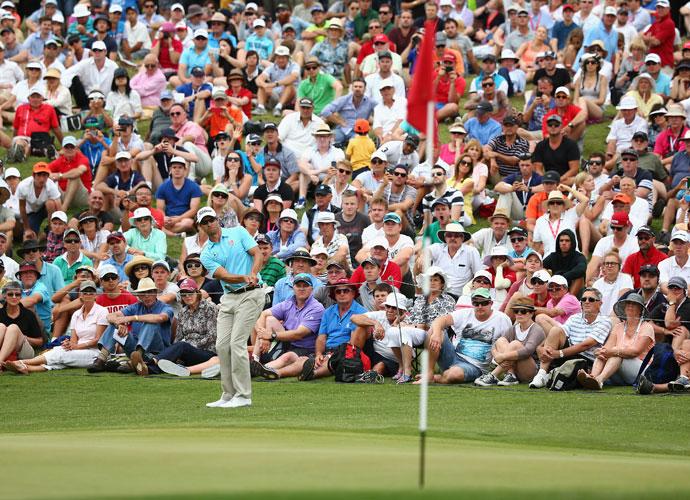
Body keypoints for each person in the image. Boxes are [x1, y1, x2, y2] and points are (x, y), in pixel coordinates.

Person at [198, 207, 264, 409]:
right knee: (221, 345)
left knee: (237, 343)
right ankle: (228, 394)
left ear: (217, 219)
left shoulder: (238, 232)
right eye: (204, 222)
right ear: (201, 226)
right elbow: (224, 275)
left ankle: (244, 396)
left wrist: (253, 273)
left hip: (251, 294)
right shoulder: (206, 253)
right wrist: (244, 276)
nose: (209, 224)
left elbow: (257, 253)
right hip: (229, 297)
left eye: (211, 219)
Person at [3, 280, 108, 374]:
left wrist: (76, 347)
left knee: (60, 355)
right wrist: (70, 344)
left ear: (96, 295)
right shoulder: (77, 314)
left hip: (95, 353)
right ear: (80, 295)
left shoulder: (102, 311)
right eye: (85, 292)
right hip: (79, 349)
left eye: (91, 292)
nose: (88, 295)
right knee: (59, 355)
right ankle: (26, 368)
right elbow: (74, 340)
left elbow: (98, 341)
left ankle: (20, 362)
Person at [418, 288, 512, 384]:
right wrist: (437, 334)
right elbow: (440, 320)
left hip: (475, 366)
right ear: (472, 303)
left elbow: (506, 343)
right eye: (476, 303)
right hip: (453, 355)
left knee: (453, 375)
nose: (480, 306)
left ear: (491, 303)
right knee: (434, 330)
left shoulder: (502, 319)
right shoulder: (465, 313)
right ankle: (429, 373)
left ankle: (439, 378)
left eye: (484, 303)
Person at [88, 277, 174, 376]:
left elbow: (160, 318)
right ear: (138, 295)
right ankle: (101, 359)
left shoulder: (166, 307)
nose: (146, 296)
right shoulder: (136, 306)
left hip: (156, 353)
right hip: (133, 350)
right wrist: (118, 324)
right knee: (114, 326)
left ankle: (137, 359)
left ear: (155, 293)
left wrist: (132, 318)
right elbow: (110, 316)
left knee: (151, 322)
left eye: (149, 292)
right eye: (143, 293)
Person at [249, 273, 325, 379]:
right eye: (298, 286)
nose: (302, 289)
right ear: (293, 288)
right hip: (287, 342)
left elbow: (299, 334)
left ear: (311, 289)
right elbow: (263, 314)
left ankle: (261, 369)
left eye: (305, 286)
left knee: (287, 357)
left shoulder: (316, 308)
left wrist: (271, 335)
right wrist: (263, 336)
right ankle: (255, 359)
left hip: (306, 348)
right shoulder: (289, 302)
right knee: (269, 319)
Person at [578, 293, 654, 389]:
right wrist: (600, 351)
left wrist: (613, 351)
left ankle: (599, 380)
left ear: (641, 310)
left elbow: (635, 352)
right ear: (624, 307)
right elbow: (607, 348)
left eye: (634, 304)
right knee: (603, 353)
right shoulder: (618, 326)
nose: (630, 306)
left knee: (617, 354)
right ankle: (592, 378)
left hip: (642, 370)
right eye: (628, 303)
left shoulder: (647, 327)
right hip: (619, 369)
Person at [297, 279, 366, 381]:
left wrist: (332, 355)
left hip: (347, 352)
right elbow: (321, 337)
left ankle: (312, 374)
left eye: (346, 291)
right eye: (338, 291)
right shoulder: (328, 312)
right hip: (328, 351)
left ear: (353, 294)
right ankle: (275, 371)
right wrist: (319, 354)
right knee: (299, 359)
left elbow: (354, 343)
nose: (342, 294)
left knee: (330, 360)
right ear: (334, 295)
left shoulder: (361, 312)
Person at [151, 278, 220, 377]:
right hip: (188, 351)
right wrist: (175, 351)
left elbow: (212, 336)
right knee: (176, 350)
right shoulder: (183, 312)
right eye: (183, 294)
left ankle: (151, 361)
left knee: (182, 345)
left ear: (197, 292)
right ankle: (148, 368)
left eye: (190, 293)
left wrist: (189, 346)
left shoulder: (210, 308)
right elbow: (178, 336)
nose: (187, 296)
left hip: (207, 352)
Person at [474, 297, 545, 386]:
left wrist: (502, 356)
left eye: (523, 311)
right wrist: (497, 355)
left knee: (515, 344)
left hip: (531, 372)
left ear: (531, 313)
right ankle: (511, 375)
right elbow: (495, 344)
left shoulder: (536, 329)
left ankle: (493, 375)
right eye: (516, 311)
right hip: (515, 367)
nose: (519, 314)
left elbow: (528, 351)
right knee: (501, 341)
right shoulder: (514, 328)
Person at [0, 281, 43, 364]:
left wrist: (21, 337)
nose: (14, 297)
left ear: (21, 296)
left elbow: (40, 341)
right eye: (10, 294)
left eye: (17, 294)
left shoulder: (28, 314)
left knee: (13, 328)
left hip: (24, 351)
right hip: (2, 347)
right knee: (1, 326)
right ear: (4, 296)